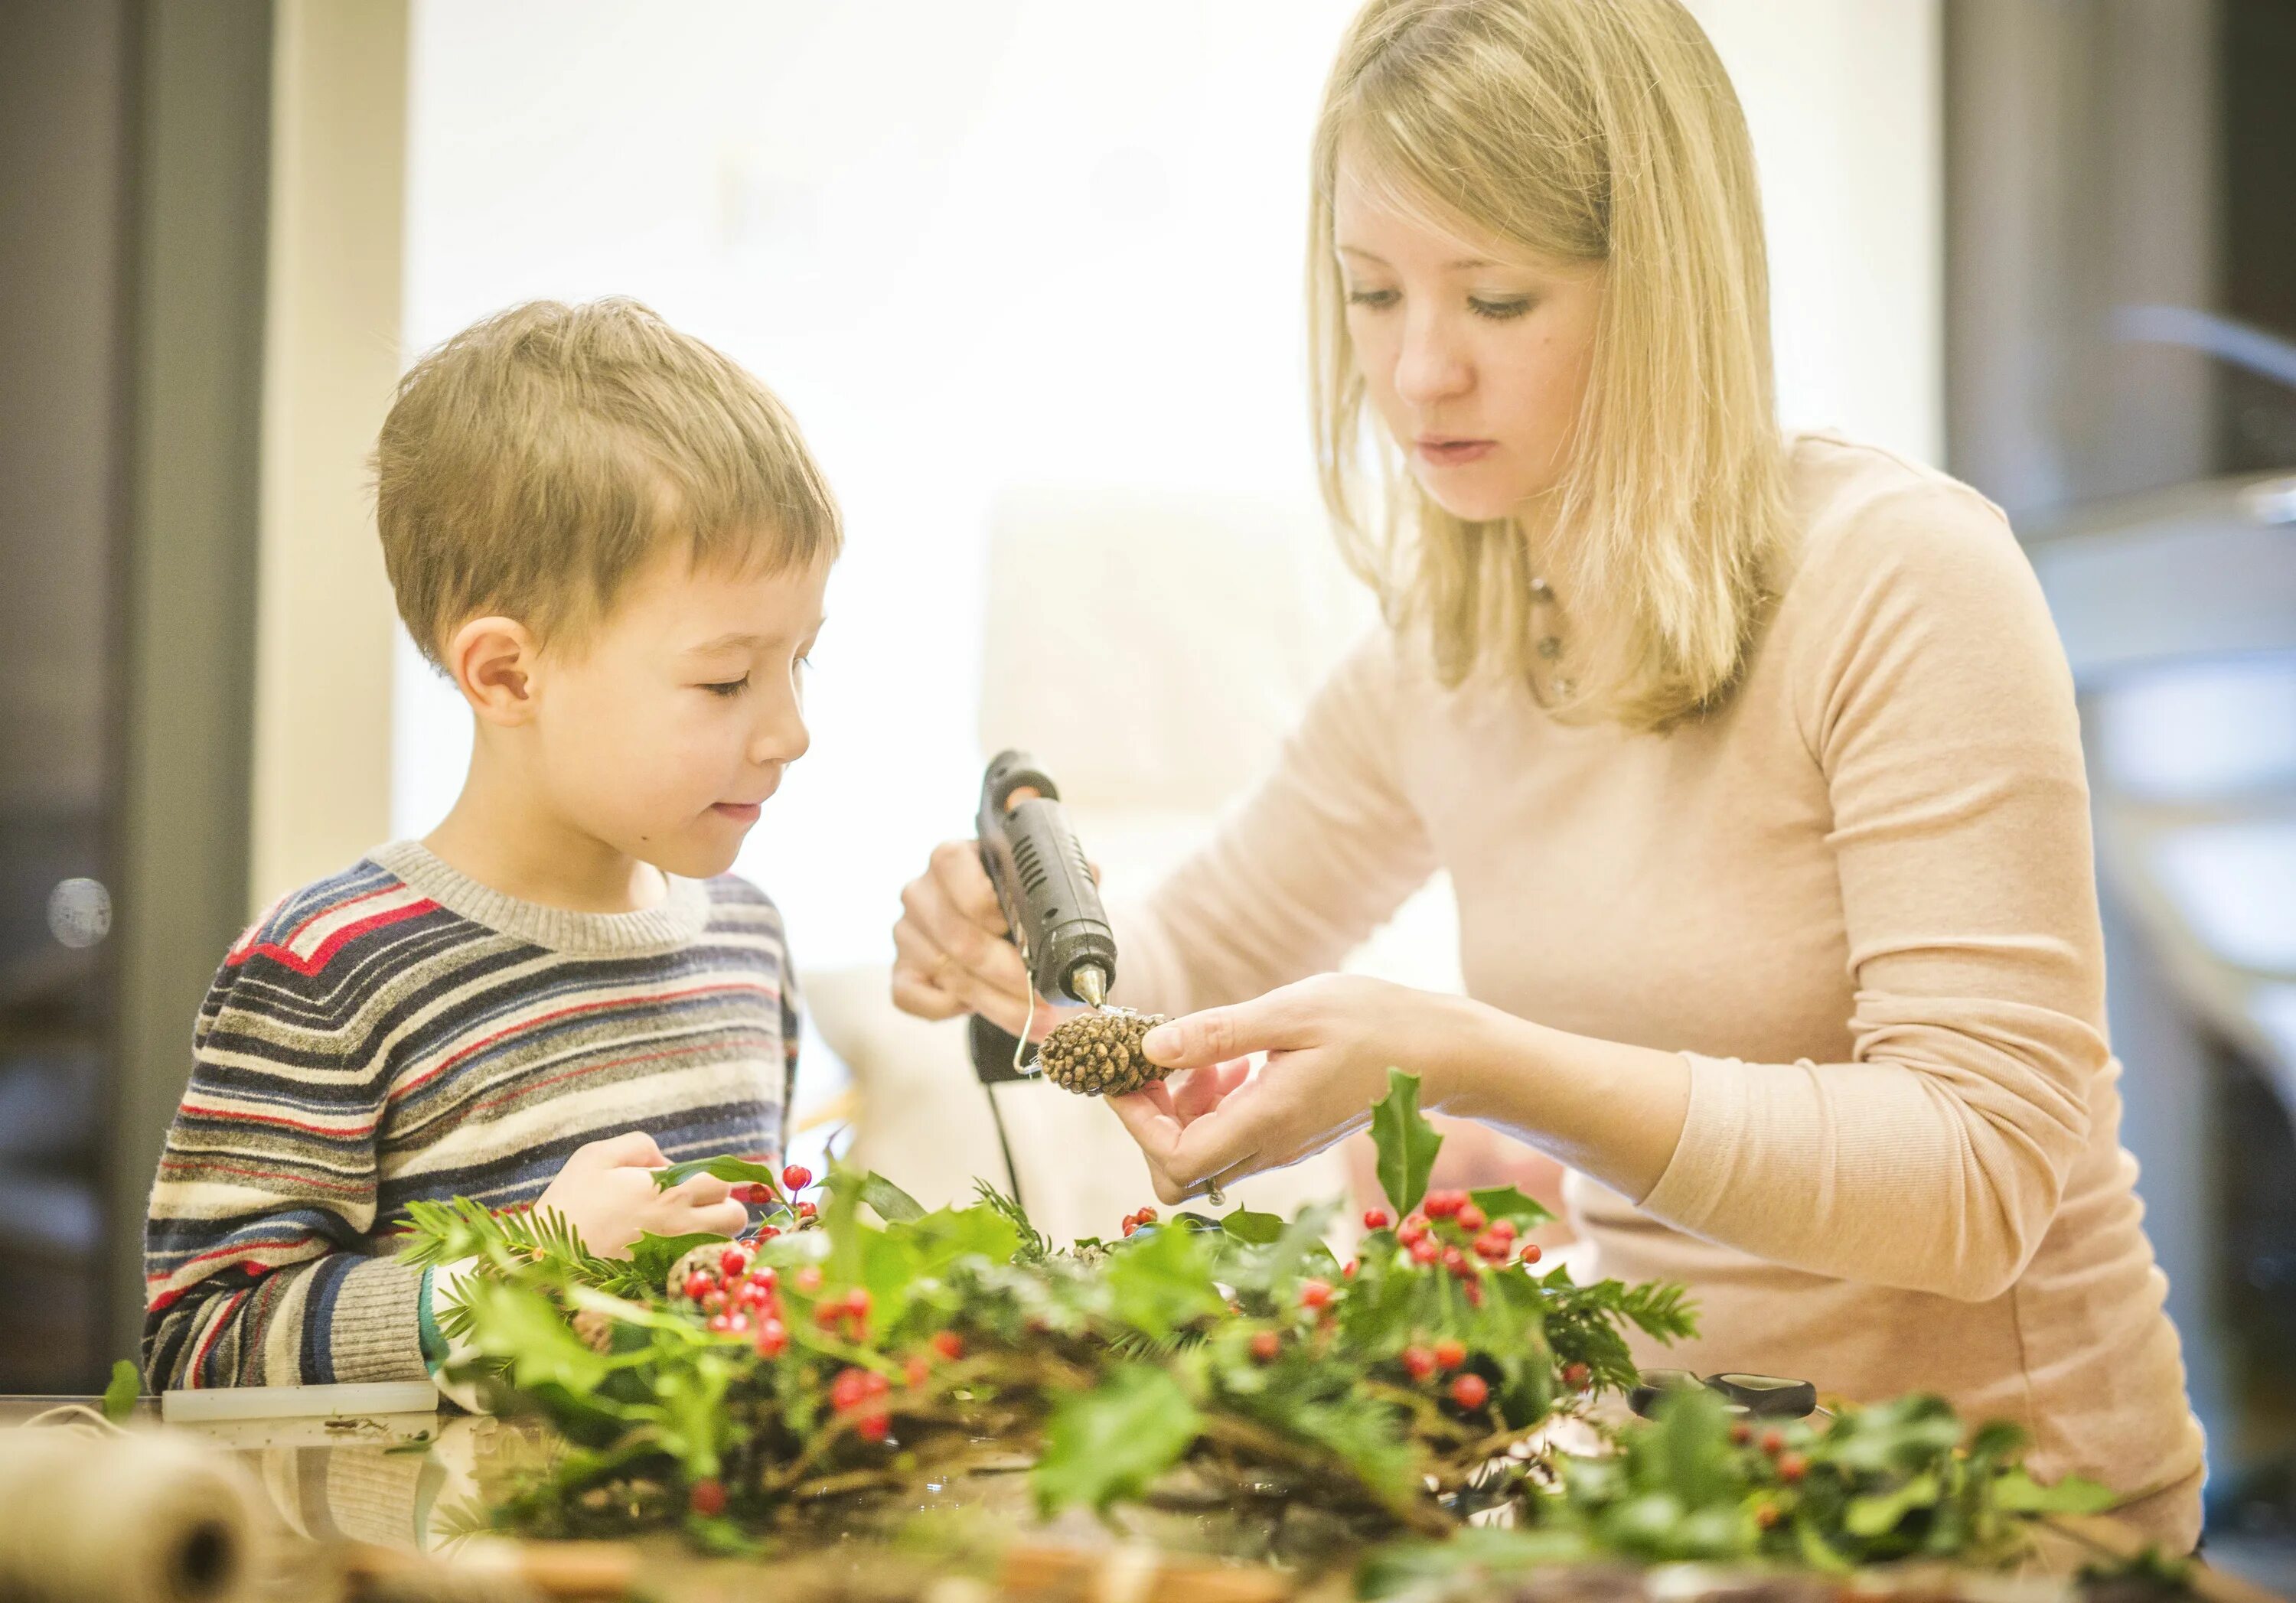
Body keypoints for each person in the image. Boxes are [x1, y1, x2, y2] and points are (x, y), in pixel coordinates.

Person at [890, 0, 2205, 1545]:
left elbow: (1977, 1184)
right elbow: (1180, 973)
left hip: (2007, 1514)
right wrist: (1019, 957)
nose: (1419, 372)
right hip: (1675, 1487)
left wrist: (1477, 1056)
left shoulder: (1903, 580)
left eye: (1499, 299)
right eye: (1371, 295)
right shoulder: (1446, 654)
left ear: (1665, 291)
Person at [144, 298, 837, 1388]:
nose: (792, 729)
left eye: (804, 659)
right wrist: (516, 1275)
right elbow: (200, 1348)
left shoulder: (746, 943)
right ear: (509, 674)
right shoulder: (331, 969)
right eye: (727, 679)